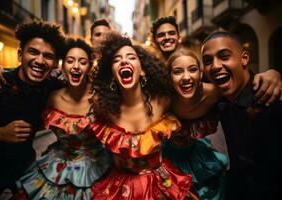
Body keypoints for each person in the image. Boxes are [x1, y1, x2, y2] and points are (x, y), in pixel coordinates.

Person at [90, 33, 197, 199]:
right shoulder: (103, 107)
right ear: (112, 74)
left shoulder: (164, 100)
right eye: (117, 59)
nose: (124, 61)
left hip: (161, 185)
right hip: (120, 189)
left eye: (131, 57)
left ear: (143, 71)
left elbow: (199, 95)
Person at [12, 37, 111, 200]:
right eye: (70, 61)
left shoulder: (101, 96)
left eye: (83, 62)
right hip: (56, 166)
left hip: (95, 167)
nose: (76, 66)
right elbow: (23, 79)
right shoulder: (52, 96)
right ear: (63, 65)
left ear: (89, 66)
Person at [0, 19, 65, 199]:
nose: (40, 61)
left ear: (55, 63)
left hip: (25, 171)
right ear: (20, 55)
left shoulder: (53, 87)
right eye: (33, 52)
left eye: (48, 56)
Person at [201, 31, 281, 199]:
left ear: (244, 58)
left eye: (224, 56)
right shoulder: (216, 103)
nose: (215, 66)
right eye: (208, 61)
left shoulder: (271, 99)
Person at [150, 16, 282, 106]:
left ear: (179, 37)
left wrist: (272, 74)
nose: (167, 37)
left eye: (171, 33)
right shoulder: (150, 73)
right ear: (154, 41)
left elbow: (238, 81)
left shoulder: (208, 76)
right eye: (161, 35)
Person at [163, 46, 228, 200]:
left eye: (192, 69)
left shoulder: (213, 93)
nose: (186, 77)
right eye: (178, 71)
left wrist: (272, 74)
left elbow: (243, 86)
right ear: (169, 76)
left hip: (199, 158)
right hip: (168, 160)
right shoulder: (163, 99)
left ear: (200, 74)